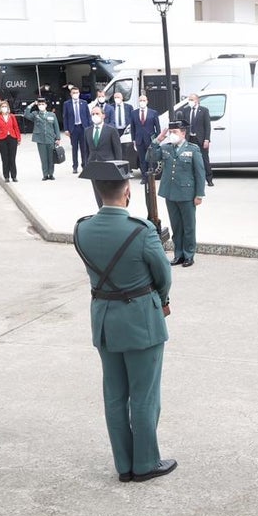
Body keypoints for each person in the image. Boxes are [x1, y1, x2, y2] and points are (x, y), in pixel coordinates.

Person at [73, 160, 175, 483]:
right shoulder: (142, 230)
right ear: (128, 191)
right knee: (144, 395)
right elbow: (164, 276)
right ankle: (145, 463)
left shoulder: (82, 229)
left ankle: (124, 464)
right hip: (140, 320)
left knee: (115, 395)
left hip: (104, 321)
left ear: (98, 192)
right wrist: (162, 299)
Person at [148, 122, 205, 267]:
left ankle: (189, 255)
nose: (172, 134)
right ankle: (178, 254)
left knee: (189, 226)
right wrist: (158, 139)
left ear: (183, 133)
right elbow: (150, 157)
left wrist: (199, 194)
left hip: (187, 194)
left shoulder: (193, 149)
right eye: (170, 132)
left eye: (175, 132)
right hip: (170, 193)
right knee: (176, 226)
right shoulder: (166, 148)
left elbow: (199, 173)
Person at [177, 93, 213, 186]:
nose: (190, 101)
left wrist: (207, 139)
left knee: (204, 159)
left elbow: (207, 126)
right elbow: (183, 125)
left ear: (197, 100)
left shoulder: (204, 110)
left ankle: (209, 179)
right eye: (189, 99)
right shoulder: (186, 110)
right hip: (190, 138)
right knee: (189, 159)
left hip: (200, 139)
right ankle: (192, 179)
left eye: (192, 99)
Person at [24, 97, 62, 181]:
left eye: (43, 104)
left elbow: (56, 127)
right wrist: (33, 104)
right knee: (43, 158)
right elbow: (26, 114)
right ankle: (45, 174)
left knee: (51, 158)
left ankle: (51, 174)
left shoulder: (52, 114)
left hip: (50, 138)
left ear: (46, 105)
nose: (41, 106)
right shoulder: (35, 114)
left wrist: (58, 138)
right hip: (40, 139)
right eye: (40, 104)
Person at [62, 86, 92, 173]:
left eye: (77, 93)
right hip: (73, 128)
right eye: (74, 93)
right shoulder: (67, 104)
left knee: (84, 148)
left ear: (79, 93)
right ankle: (75, 166)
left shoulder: (84, 103)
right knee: (74, 148)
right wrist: (66, 129)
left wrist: (89, 127)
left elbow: (88, 116)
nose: (75, 94)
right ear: (71, 94)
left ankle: (84, 165)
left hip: (83, 128)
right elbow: (65, 117)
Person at [131, 94, 160, 183]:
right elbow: (133, 127)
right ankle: (144, 177)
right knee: (142, 159)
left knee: (151, 159)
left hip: (150, 139)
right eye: (140, 100)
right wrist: (133, 140)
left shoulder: (153, 112)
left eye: (144, 100)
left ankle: (150, 177)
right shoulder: (134, 113)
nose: (142, 102)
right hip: (139, 139)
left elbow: (157, 127)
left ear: (147, 101)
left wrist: (157, 139)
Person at [0, 100, 21, 182]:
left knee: (12, 158)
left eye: (5, 106)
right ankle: (6, 176)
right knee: (5, 158)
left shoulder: (11, 116)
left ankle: (14, 176)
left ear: (8, 107)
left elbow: (16, 127)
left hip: (12, 138)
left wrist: (18, 138)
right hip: (1, 139)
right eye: (2, 107)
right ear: (0, 108)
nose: (4, 108)